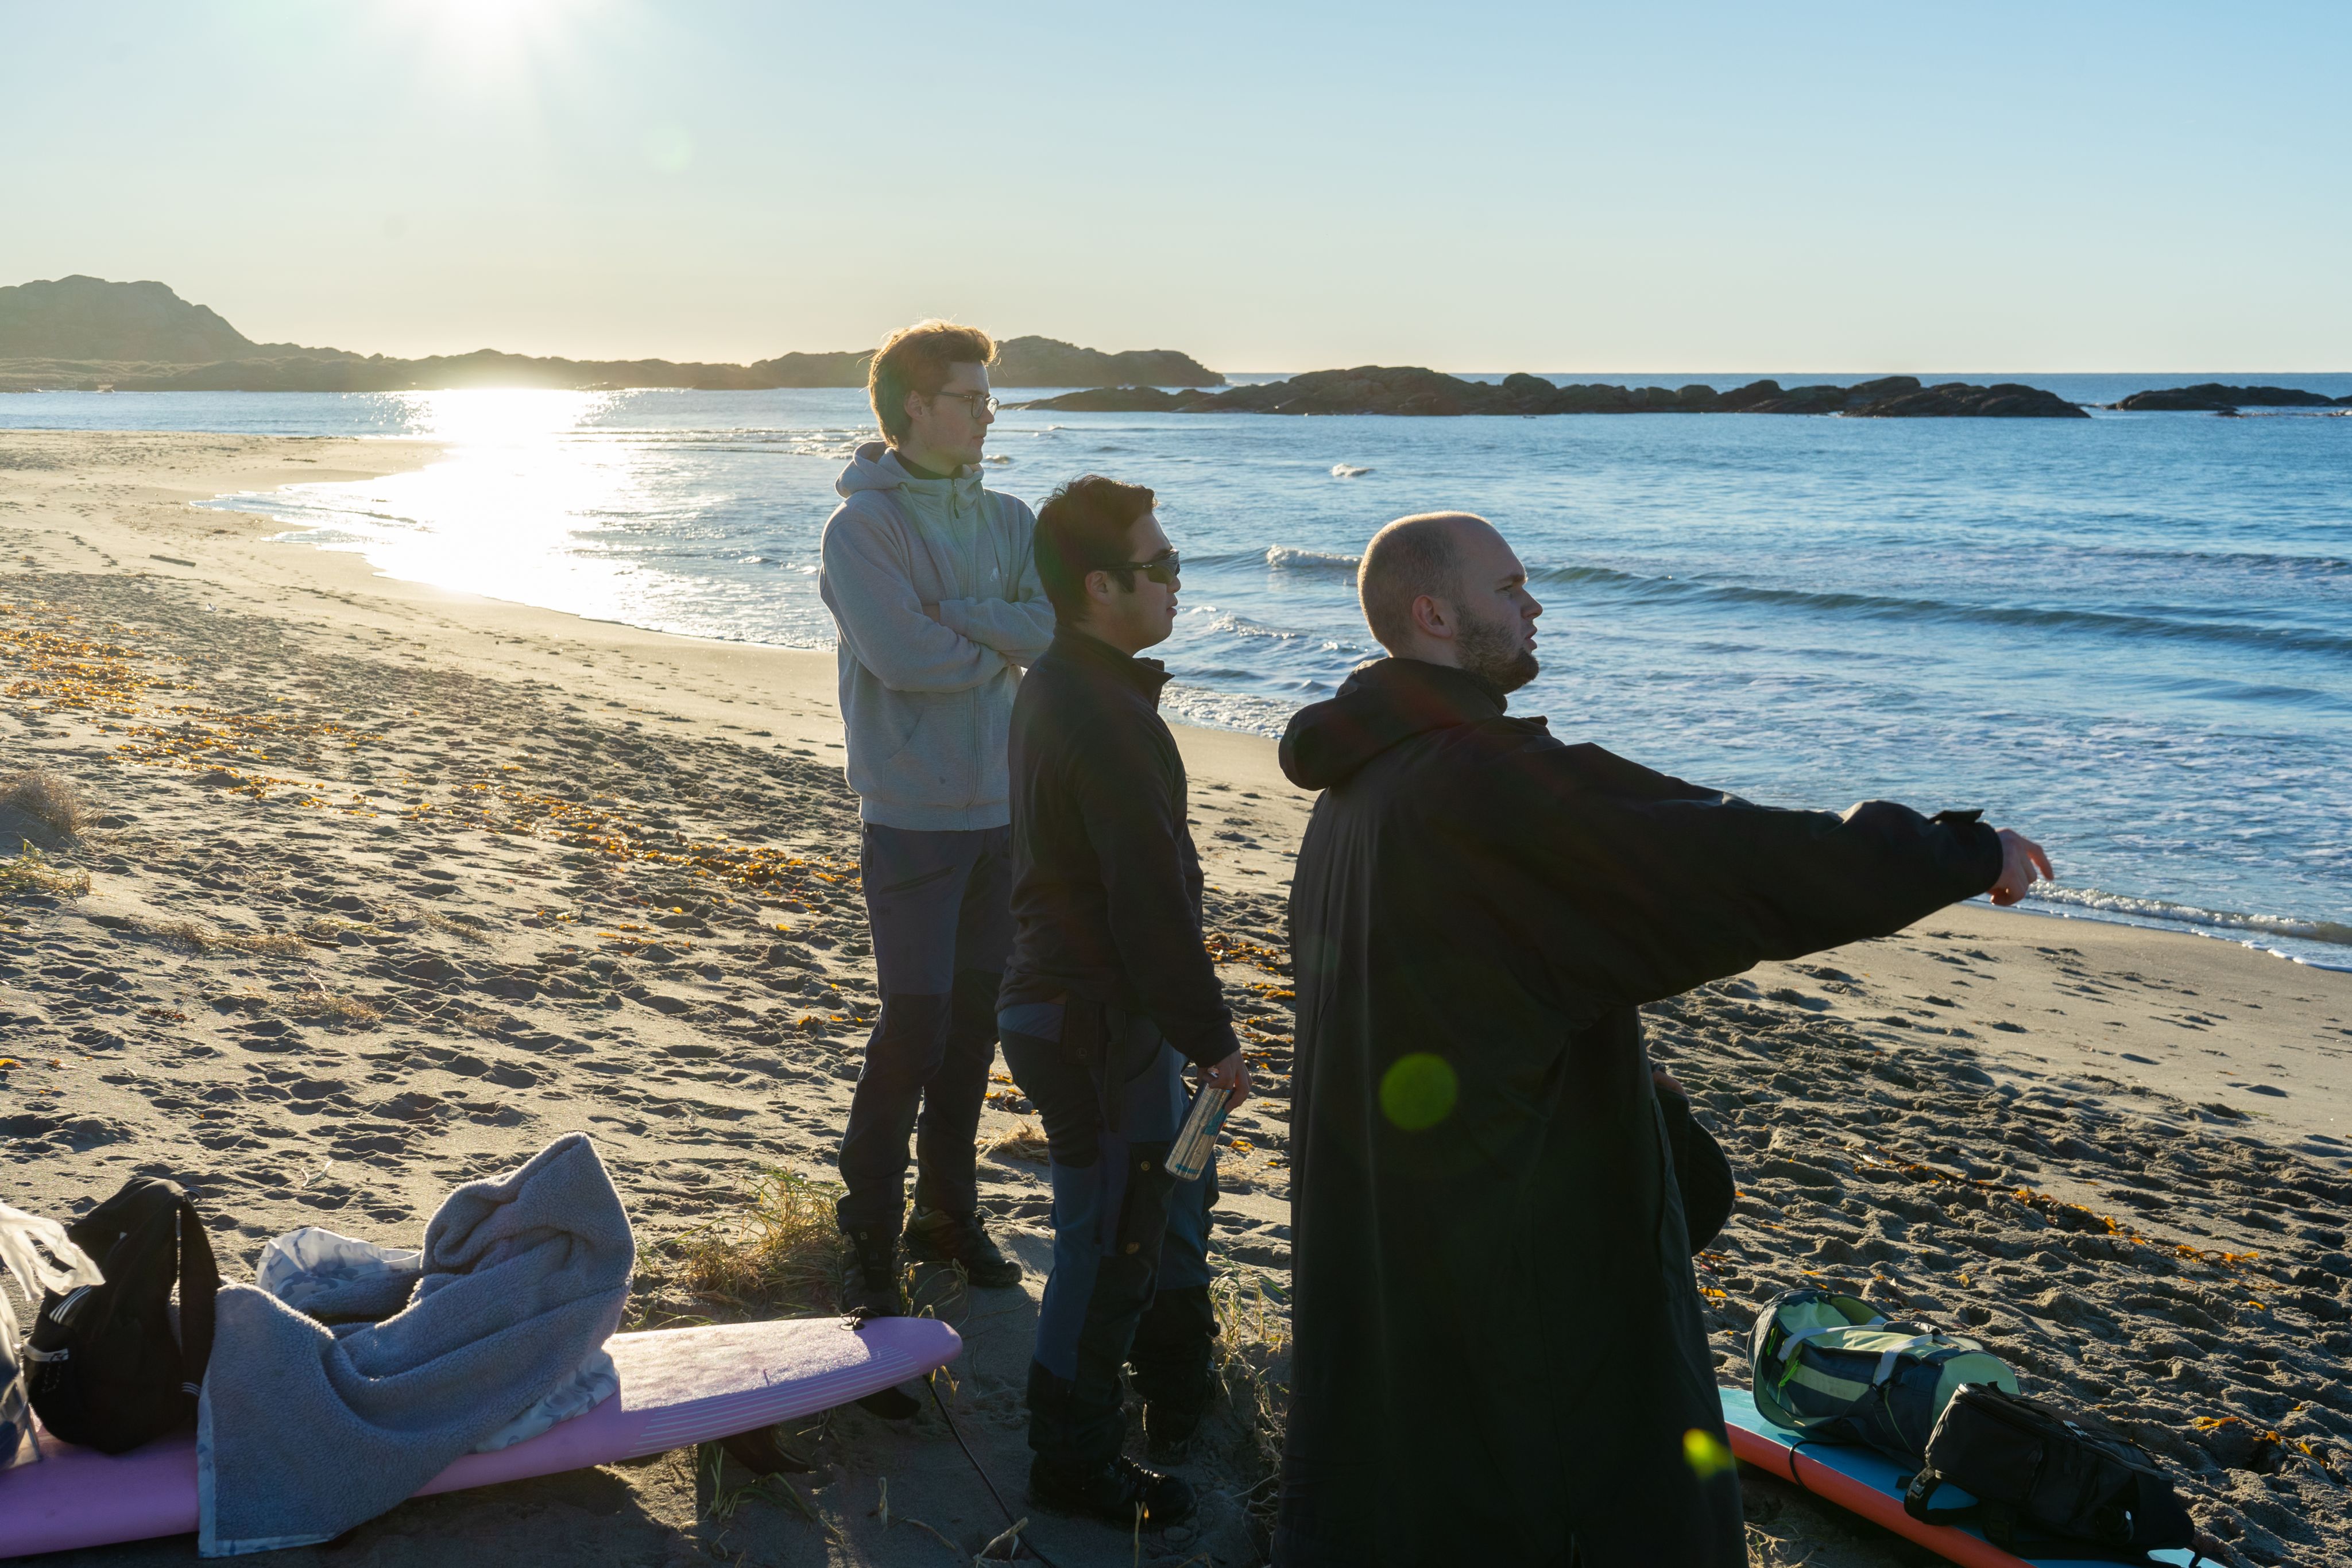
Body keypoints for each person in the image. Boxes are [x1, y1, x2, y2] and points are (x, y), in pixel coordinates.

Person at [1271, 512, 2052, 1567]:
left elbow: (1480, 974)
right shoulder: (1481, 786)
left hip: (1398, 1232)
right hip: (1507, 1247)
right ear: (1434, 614)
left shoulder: (1359, 788)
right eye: (1509, 588)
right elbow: (1732, 859)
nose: (1535, 604)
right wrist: (1957, 853)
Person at [996, 474, 1253, 1527]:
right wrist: (1215, 1039)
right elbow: (1147, 906)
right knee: (1108, 1244)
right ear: (1102, 586)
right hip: (1091, 1014)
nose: (1179, 585)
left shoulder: (1067, 685)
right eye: (1164, 569)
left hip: (1093, 1009)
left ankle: (1177, 1390)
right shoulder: (1103, 717)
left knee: (1166, 1202)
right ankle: (1071, 1466)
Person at [817, 320, 1055, 1317]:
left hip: (1004, 810)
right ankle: (867, 1229)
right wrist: (984, 635)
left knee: (970, 1033)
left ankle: (947, 1215)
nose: (988, 413)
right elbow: (902, 660)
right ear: (916, 405)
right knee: (912, 1025)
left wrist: (954, 618)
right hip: (910, 815)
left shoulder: (1012, 517)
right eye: (971, 398)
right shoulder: (862, 528)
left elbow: (1045, 632)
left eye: (990, 398)